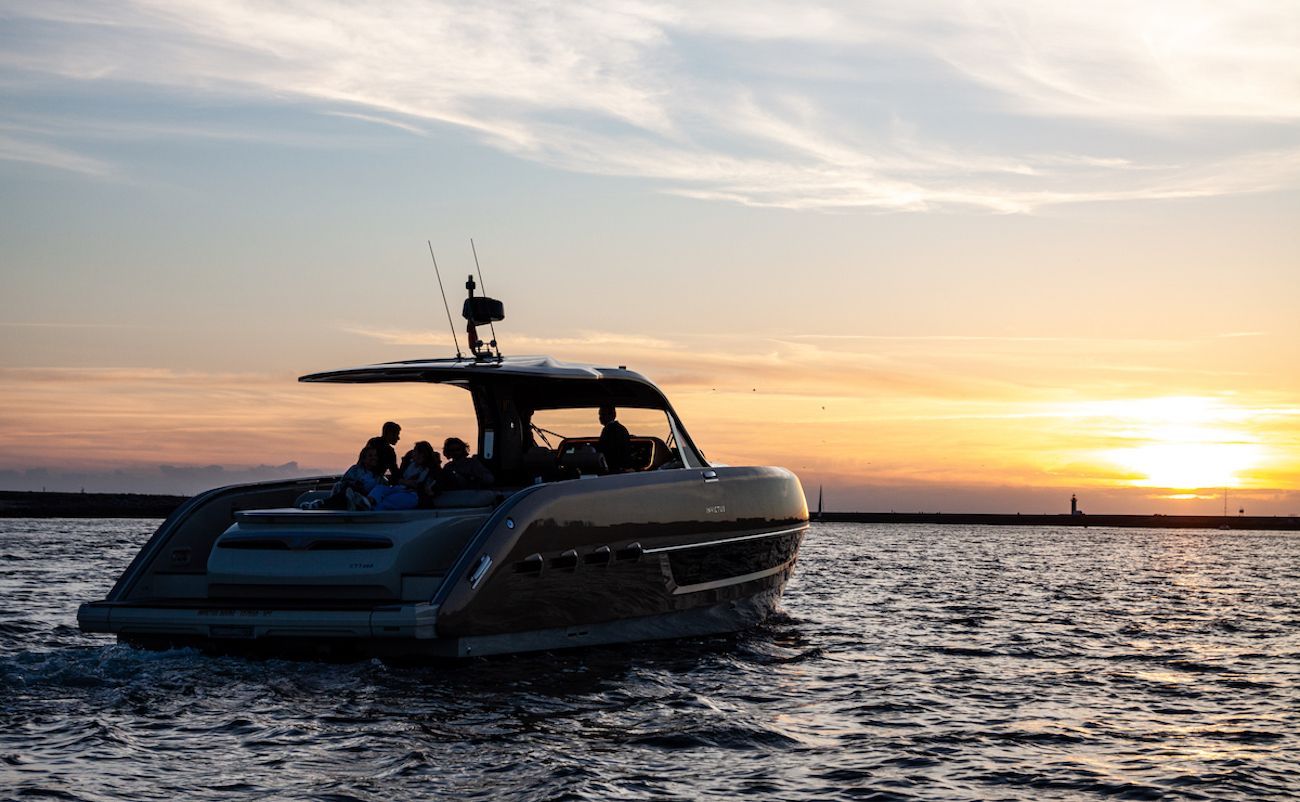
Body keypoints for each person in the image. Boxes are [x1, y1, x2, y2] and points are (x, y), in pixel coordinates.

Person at [305, 445, 385, 510]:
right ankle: (322, 504)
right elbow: (344, 482)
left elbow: (380, 491)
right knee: (348, 490)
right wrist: (354, 483)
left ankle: (320, 504)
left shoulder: (379, 476)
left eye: (375, 455)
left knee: (350, 493)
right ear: (363, 459)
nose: (374, 458)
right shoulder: (355, 469)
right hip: (348, 493)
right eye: (370, 456)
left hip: (365, 498)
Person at [369, 440, 440, 510]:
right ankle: (367, 503)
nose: (414, 454)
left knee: (390, 499)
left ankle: (371, 511)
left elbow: (430, 488)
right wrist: (404, 481)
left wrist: (414, 485)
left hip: (414, 495)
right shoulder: (409, 465)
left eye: (416, 452)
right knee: (379, 489)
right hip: (400, 488)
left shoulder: (431, 470)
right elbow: (396, 478)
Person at [596, 404, 632, 473]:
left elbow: (604, 449)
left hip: (613, 469)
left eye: (603, 414)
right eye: (600, 415)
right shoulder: (621, 428)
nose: (600, 417)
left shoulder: (609, 430)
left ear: (612, 415)